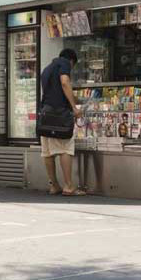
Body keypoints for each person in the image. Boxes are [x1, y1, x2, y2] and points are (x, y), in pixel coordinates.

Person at [40, 48, 85, 196]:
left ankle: (54, 186)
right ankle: (68, 186)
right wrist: (74, 107)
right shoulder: (64, 63)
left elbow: (54, 90)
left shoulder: (47, 68)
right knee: (65, 149)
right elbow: (64, 82)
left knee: (47, 153)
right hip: (59, 115)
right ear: (71, 61)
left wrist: (74, 99)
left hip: (46, 115)